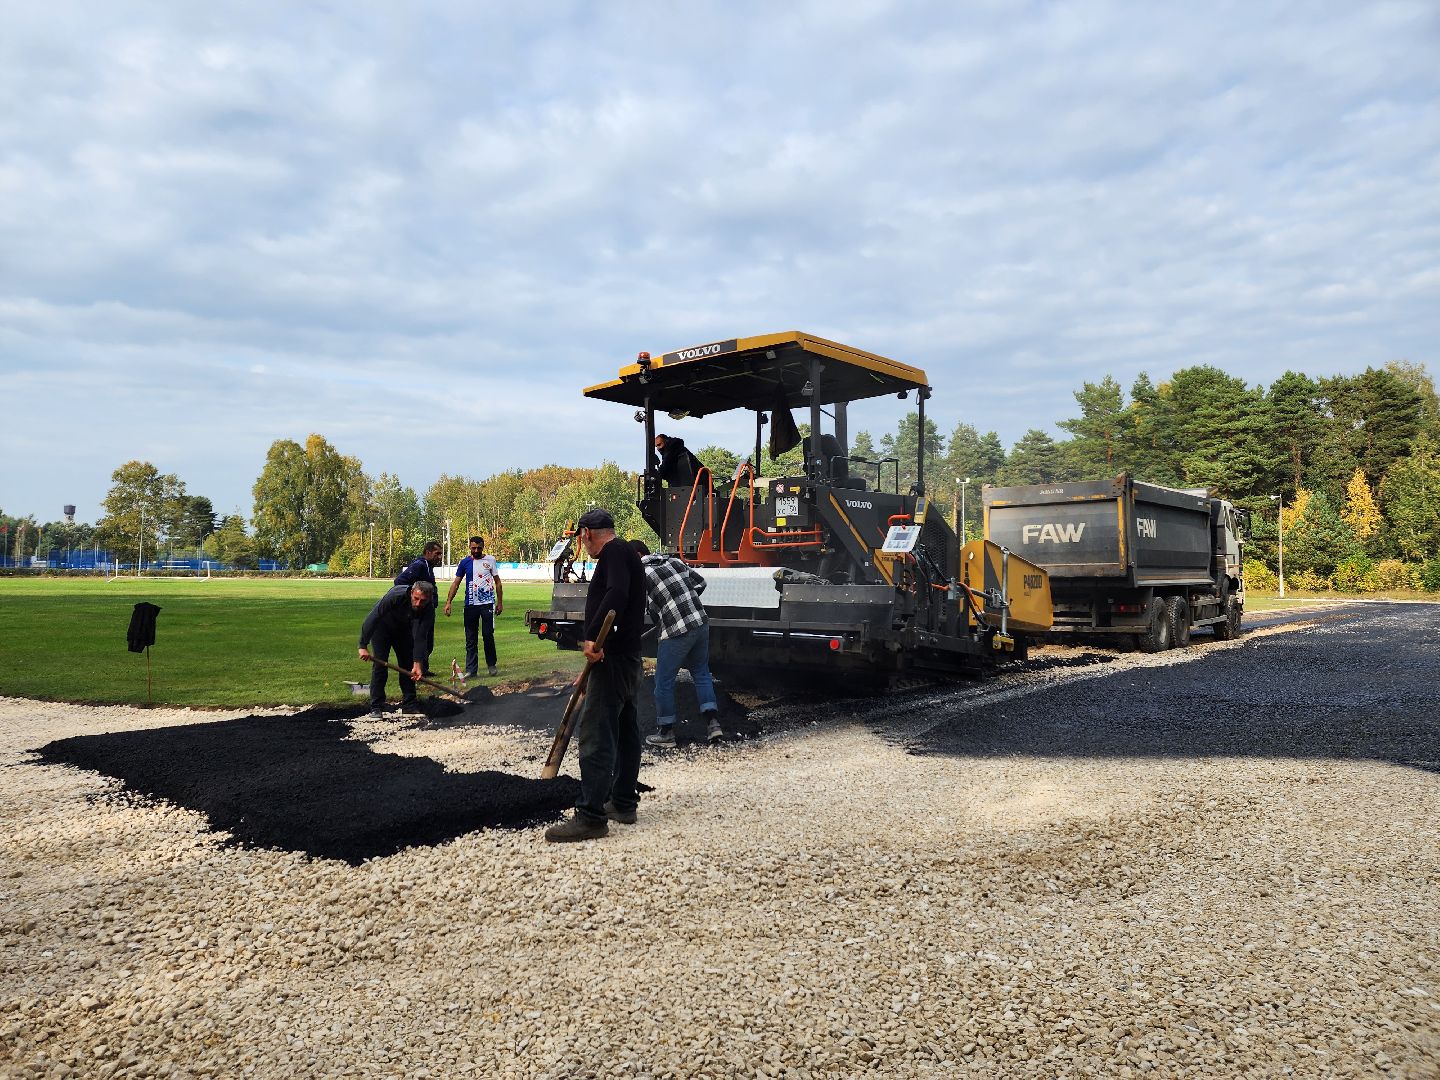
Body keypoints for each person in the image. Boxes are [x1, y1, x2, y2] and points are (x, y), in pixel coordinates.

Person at [545, 508, 646, 843]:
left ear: (586, 533)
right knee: (626, 731)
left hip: (612, 659)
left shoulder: (614, 553)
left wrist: (592, 638)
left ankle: (590, 816)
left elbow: (616, 594)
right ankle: (623, 803)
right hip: (626, 658)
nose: (582, 544)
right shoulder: (626, 552)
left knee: (597, 735)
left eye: (581, 538)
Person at [630, 540, 722, 747]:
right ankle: (713, 725)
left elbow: (643, 608)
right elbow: (701, 583)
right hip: (700, 622)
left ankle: (666, 733)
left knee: (663, 681)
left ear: (637, 555)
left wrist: (665, 612)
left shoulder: (641, 573)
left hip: (676, 630)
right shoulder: (674, 561)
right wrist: (683, 603)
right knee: (701, 673)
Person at [358, 581, 435, 718]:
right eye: (416, 598)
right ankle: (376, 706)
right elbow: (373, 617)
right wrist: (363, 645)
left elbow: (421, 636)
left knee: (407, 664)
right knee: (380, 665)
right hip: (382, 627)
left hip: (403, 630)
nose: (418, 604)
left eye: (423, 601)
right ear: (411, 592)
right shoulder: (395, 596)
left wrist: (417, 663)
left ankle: (409, 704)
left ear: (429, 599)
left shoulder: (428, 608)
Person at [444, 536, 504, 677]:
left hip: (487, 604)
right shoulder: (465, 562)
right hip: (470, 605)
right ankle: (471, 670)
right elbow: (456, 583)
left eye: (479, 548)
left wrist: (500, 602)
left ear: (483, 547)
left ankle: (491, 665)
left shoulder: (490, 560)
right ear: (470, 547)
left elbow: (498, 582)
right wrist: (448, 602)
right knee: (471, 638)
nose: (476, 550)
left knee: (487, 635)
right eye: (473, 548)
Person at [394, 541, 443, 676]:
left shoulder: (428, 567)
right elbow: (399, 581)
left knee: (428, 641)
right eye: (437, 553)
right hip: (418, 611)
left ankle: (423, 668)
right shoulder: (419, 565)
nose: (439, 557)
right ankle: (415, 669)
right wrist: (413, 600)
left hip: (428, 609)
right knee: (419, 639)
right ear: (428, 552)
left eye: (440, 554)